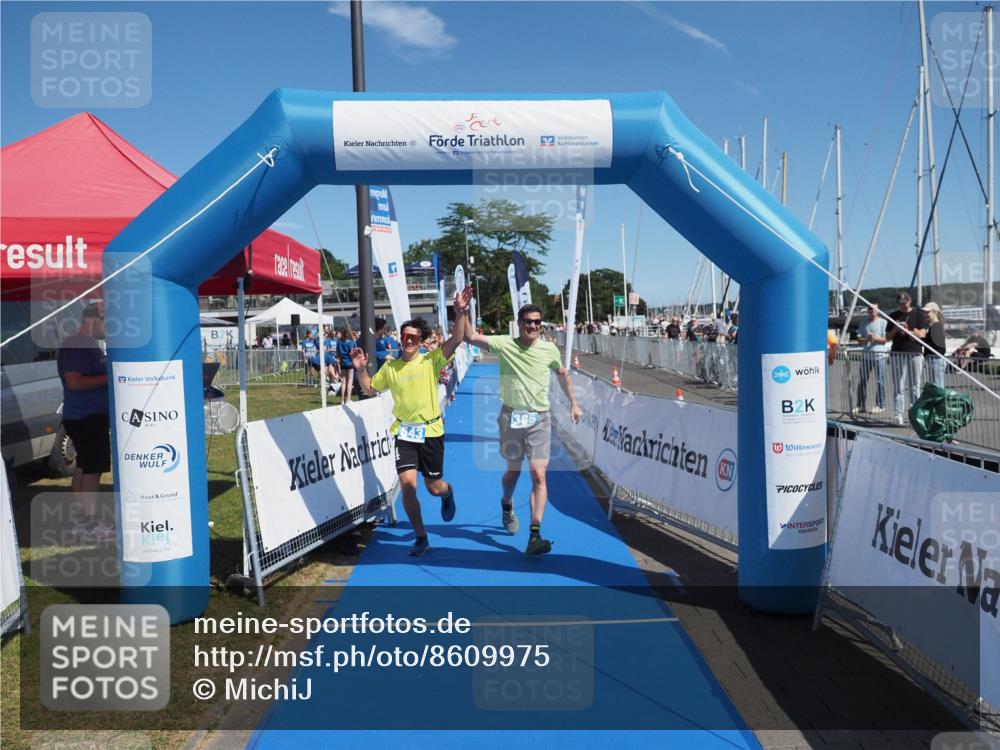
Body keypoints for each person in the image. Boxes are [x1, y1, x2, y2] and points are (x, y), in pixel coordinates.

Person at [351, 287, 473, 557]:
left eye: (413, 337)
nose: (408, 341)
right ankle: (421, 537)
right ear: (400, 338)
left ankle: (447, 492)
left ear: (420, 341)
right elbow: (370, 388)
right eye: (404, 336)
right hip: (404, 433)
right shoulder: (391, 368)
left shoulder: (431, 361)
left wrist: (460, 311)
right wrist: (360, 370)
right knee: (407, 486)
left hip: (431, 432)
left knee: (433, 487)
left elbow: (459, 337)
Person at [462, 303, 583, 555]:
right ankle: (507, 503)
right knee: (512, 474)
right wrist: (462, 311)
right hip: (510, 418)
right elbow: (470, 336)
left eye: (537, 322)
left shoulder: (549, 349)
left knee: (538, 475)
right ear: (519, 323)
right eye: (528, 321)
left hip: (540, 419)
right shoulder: (506, 344)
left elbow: (562, 373)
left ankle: (534, 534)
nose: (533, 326)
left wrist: (574, 403)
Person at [57, 304, 113, 543]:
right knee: (92, 470)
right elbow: (75, 382)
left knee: (84, 466)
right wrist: (110, 375)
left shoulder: (88, 344)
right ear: (94, 319)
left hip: (88, 416)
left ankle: (82, 523)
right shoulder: (76, 344)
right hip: (85, 417)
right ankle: (89, 525)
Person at [887, 292, 928, 425]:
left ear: (910, 301)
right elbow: (887, 336)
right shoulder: (893, 316)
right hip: (897, 353)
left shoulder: (918, 314)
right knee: (898, 385)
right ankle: (898, 414)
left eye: (905, 303)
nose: (903, 305)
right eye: (900, 303)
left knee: (914, 386)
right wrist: (896, 328)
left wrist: (908, 330)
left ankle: (914, 415)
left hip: (914, 353)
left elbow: (923, 333)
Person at [853, 303, 889, 415]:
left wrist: (875, 338)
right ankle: (861, 405)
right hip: (866, 356)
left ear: (878, 310)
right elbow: (859, 340)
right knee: (862, 381)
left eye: (874, 309)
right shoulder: (863, 323)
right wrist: (866, 339)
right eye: (870, 308)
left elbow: (885, 339)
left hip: (880, 356)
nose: (872, 310)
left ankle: (880, 405)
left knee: (880, 381)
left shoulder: (883, 322)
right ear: (867, 310)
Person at [922, 302, 947, 387]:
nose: (925, 314)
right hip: (933, 359)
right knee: (935, 386)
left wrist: (921, 336)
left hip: (936, 359)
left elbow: (936, 345)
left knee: (937, 387)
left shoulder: (936, 326)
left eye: (927, 312)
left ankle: (940, 401)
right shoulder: (933, 326)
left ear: (935, 312)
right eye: (924, 312)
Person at [336, 327, 356, 404]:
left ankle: (342, 400)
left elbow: (337, 353)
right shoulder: (350, 342)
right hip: (349, 363)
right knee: (349, 381)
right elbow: (351, 352)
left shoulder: (339, 342)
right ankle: (348, 399)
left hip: (343, 363)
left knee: (343, 382)